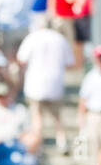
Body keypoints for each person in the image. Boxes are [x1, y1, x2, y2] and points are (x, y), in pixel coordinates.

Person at [16, 14, 74, 154]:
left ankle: (38, 145)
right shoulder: (60, 39)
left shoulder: (32, 38)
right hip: (55, 84)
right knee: (57, 117)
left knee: (37, 117)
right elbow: (70, 63)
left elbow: (21, 59)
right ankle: (62, 143)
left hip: (35, 84)